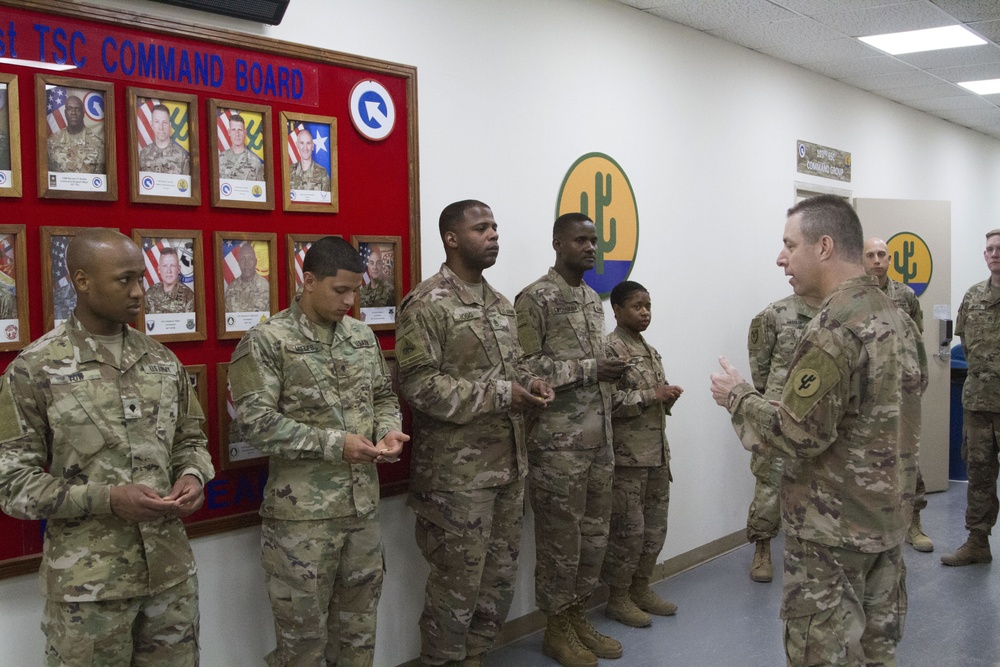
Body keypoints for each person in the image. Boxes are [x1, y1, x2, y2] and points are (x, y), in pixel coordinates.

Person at [711, 195, 927, 666]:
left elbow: (797, 435)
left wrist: (737, 396)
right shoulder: (898, 319)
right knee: (876, 656)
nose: (781, 257)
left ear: (824, 246)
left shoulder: (834, 327)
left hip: (833, 537)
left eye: (790, 244)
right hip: (886, 525)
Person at [0, 228, 214, 665]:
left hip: (168, 576)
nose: (139, 292)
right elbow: (11, 484)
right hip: (88, 589)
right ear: (82, 281)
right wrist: (108, 500)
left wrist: (192, 475)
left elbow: (191, 440)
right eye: (124, 280)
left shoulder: (161, 360)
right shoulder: (34, 369)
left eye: (141, 278)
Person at [228, 235, 408, 666]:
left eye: (355, 291)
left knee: (358, 637)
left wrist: (389, 431)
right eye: (340, 290)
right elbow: (255, 424)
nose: (350, 300)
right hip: (302, 523)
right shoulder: (267, 341)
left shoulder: (362, 337)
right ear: (308, 281)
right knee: (302, 646)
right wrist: (335, 444)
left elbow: (383, 395)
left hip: (361, 512)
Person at [396, 199, 553, 666]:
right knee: (455, 588)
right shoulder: (426, 304)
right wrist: (505, 394)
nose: (493, 235)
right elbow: (420, 385)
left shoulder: (501, 305)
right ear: (451, 238)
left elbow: (516, 366)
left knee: (497, 583)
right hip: (456, 480)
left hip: (508, 467)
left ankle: (476, 657)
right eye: (481, 228)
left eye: (495, 227)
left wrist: (530, 383)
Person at [515, 212, 627, 667]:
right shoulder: (534, 298)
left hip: (598, 440)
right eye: (581, 240)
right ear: (558, 243)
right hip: (557, 446)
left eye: (594, 240)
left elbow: (590, 360)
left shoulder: (590, 299)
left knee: (594, 537)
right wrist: (588, 370)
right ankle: (555, 629)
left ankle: (579, 616)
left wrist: (613, 370)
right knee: (561, 541)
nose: (590, 248)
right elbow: (522, 367)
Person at [599, 280, 683, 629]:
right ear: (617, 310)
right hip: (628, 460)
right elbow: (608, 404)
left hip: (656, 456)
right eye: (637, 306)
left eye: (648, 305)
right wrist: (652, 395)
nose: (645, 312)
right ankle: (618, 598)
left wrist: (666, 398)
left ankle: (640, 588)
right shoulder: (610, 351)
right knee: (627, 533)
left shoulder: (648, 349)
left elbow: (648, 399)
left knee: (655, 529)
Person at [863, 236, 934, 552]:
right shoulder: (852, 296)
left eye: (882, 254)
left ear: (890, 259)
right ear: (862, 260)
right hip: (863, 393)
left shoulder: (905, 296)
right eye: (870, 255)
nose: (877, 260)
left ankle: (913, 523)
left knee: (906, 457)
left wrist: (920, 378)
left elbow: (917, 341)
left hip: (899, 390)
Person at [744, 293, 820, 583]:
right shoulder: (773, 314)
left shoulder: (836, 312)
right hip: (780, 409)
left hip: (821, 411)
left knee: (820, 482)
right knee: (769, 480)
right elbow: (759, 371)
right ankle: (762, 548)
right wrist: (773, 400)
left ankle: (812, 552)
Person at [941, 228, 1000, 566]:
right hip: (978, 404)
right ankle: (977, 542)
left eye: (999, 248)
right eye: (989, 249)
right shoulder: (973, 296)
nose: (994, 253)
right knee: (979, 475)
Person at [47, 95, 105, 174]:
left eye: (77, 109)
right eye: (70, 109)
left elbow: (100, 179)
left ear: (83, 113)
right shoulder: (52, 142)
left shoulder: (97, 143)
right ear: (65, 113)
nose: (73, 113)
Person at [138, 104, 190, 175]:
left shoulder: (182, 156)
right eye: (157, 122)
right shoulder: (143, 154)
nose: (161, 127)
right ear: (151, 124)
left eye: (164, 122)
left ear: (170, 125)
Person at [144, 247, 195, 314]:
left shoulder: (188, 296)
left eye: (173, 265)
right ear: (159, 269)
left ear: (178, 269)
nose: (169, 270)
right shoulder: (150, 293)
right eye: (165, 266)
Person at [225, 242, 270, 313]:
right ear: (238, 262)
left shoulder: (266, 287)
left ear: (255, 262)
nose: (246, 263)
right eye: (243, 259)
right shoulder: (231, 288)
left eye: (250, 258)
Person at [219, 113, 264, 181]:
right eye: (233, 130)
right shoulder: (220, 159)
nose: (237, 134)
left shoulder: (255, 162)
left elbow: (259, 190)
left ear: (245, 133)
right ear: (229, 132)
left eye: (240, 130)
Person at [288, 128, 331, 192]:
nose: (305, 148)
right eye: (302, 143)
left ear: (312, 146)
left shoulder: (322, 173)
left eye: (308, 143)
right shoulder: (288, 172)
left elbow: (327, 200)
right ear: (297, 145)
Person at [361, 244, 395, 309]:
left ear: (382, 266)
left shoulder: (390, 290)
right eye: (371, 263)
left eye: (378, 263)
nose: (375, 267)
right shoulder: (362, 291)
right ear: (368, 267)